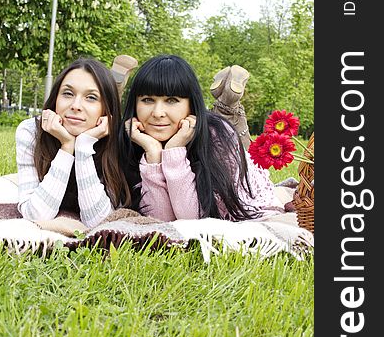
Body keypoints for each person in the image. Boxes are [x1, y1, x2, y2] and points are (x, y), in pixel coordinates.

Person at [118, 54, 281, 222]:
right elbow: (161, 220)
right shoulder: (133, 139)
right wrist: (153, 154)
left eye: (171, 100)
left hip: (231, 160)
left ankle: (229, 105)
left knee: (236, 135)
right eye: (147, 100)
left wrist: (174, 151)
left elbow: (192, 220)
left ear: (191, 105)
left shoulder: (217, 137)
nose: (158, 113)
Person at [16, 57, 130, 227]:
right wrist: (67, 147)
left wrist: (83, 147)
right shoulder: (31, 131)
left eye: (91, 97)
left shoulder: (119, 139)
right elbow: (36, 215)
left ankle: (118, 78)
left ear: (106, 108)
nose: (76, 105)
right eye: (68, 94)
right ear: (55, 99)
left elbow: (100, 222)